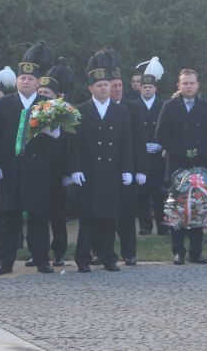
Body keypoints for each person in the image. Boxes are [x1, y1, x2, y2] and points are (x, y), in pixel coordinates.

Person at [0, 42, 62, 275]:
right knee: (10, 218)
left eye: (30, 79)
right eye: (22, 78)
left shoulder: (46, 105)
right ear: (17, 81)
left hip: (38, 169)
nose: (26, 82)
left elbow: (57, 139)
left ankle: (41, 260)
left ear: (38, 83)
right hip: (10, 168)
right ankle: (6, 261)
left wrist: (53, 130)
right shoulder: (3, 103)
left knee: (39, 217)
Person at [70, 55, 133, 273]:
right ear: (91, 88)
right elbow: (74, 144)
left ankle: (109, 258)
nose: (104, 88)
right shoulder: (80, 110)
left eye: (106, 84)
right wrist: (75, 169)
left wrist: (128, 169)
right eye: (99, 85)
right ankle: (83, 258)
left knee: (109, 218)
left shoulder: (121, 111)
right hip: (88, 171)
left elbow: (126, 142)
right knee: (87, 218)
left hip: (111, 171)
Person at [156, 69, 207, 265]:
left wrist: (202, 152)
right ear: (179, 85)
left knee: (198, 207)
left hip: (199, 164)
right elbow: (161, 133)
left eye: (192, 83)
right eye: (185, 83)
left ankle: (196, 251)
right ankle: (178, 251)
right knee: (177, 208)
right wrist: (179, 151)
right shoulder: (169, 106)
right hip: (177, 164)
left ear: (198, 85)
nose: (188, 86)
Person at [105, 49, 148, 265]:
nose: (117, 89)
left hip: (127, 168)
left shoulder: (133, 108)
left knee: (127, 214)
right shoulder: (99, 107)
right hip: (105, 168)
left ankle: (129, 252)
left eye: (120, 85)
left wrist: (140, 169)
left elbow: (139, 141)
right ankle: (102, 251)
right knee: (104, 213)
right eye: (113, 86)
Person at [32, 58, 75, 267]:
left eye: (46, 93)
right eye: (40, 92)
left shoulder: (66, 115)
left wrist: (68, 172)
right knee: (37, 215)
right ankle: (37, 252)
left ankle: (59, 252)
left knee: (57, 215)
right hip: (36, 172)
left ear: (57, 96)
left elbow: (70, 146)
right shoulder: (31, 113)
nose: (42, 96)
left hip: (57, 172)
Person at [137, 62, 168, 235]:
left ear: (155, 88)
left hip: (158, 156)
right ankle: (145, 225)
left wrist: (161, 145)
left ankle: (162, 226)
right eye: (144, 87)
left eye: (150, 87)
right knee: (141, 193)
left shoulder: (164, 105)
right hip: (141, 156)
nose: (147, 89)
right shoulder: (134, 106)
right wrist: (140, 146)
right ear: (140, 89)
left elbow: (168, 130)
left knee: (159, 193)